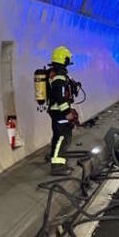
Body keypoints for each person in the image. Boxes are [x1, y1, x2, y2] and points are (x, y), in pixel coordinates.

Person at [48, 46, 77, 175]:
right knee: (63, 137)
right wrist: (67, 113)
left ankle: (54, 158)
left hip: (57, 112)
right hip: (60, 112)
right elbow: (60, 96)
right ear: (64, 59)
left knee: (58, 136)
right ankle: (57, 167)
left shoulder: (57, 74)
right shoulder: (59, 77)